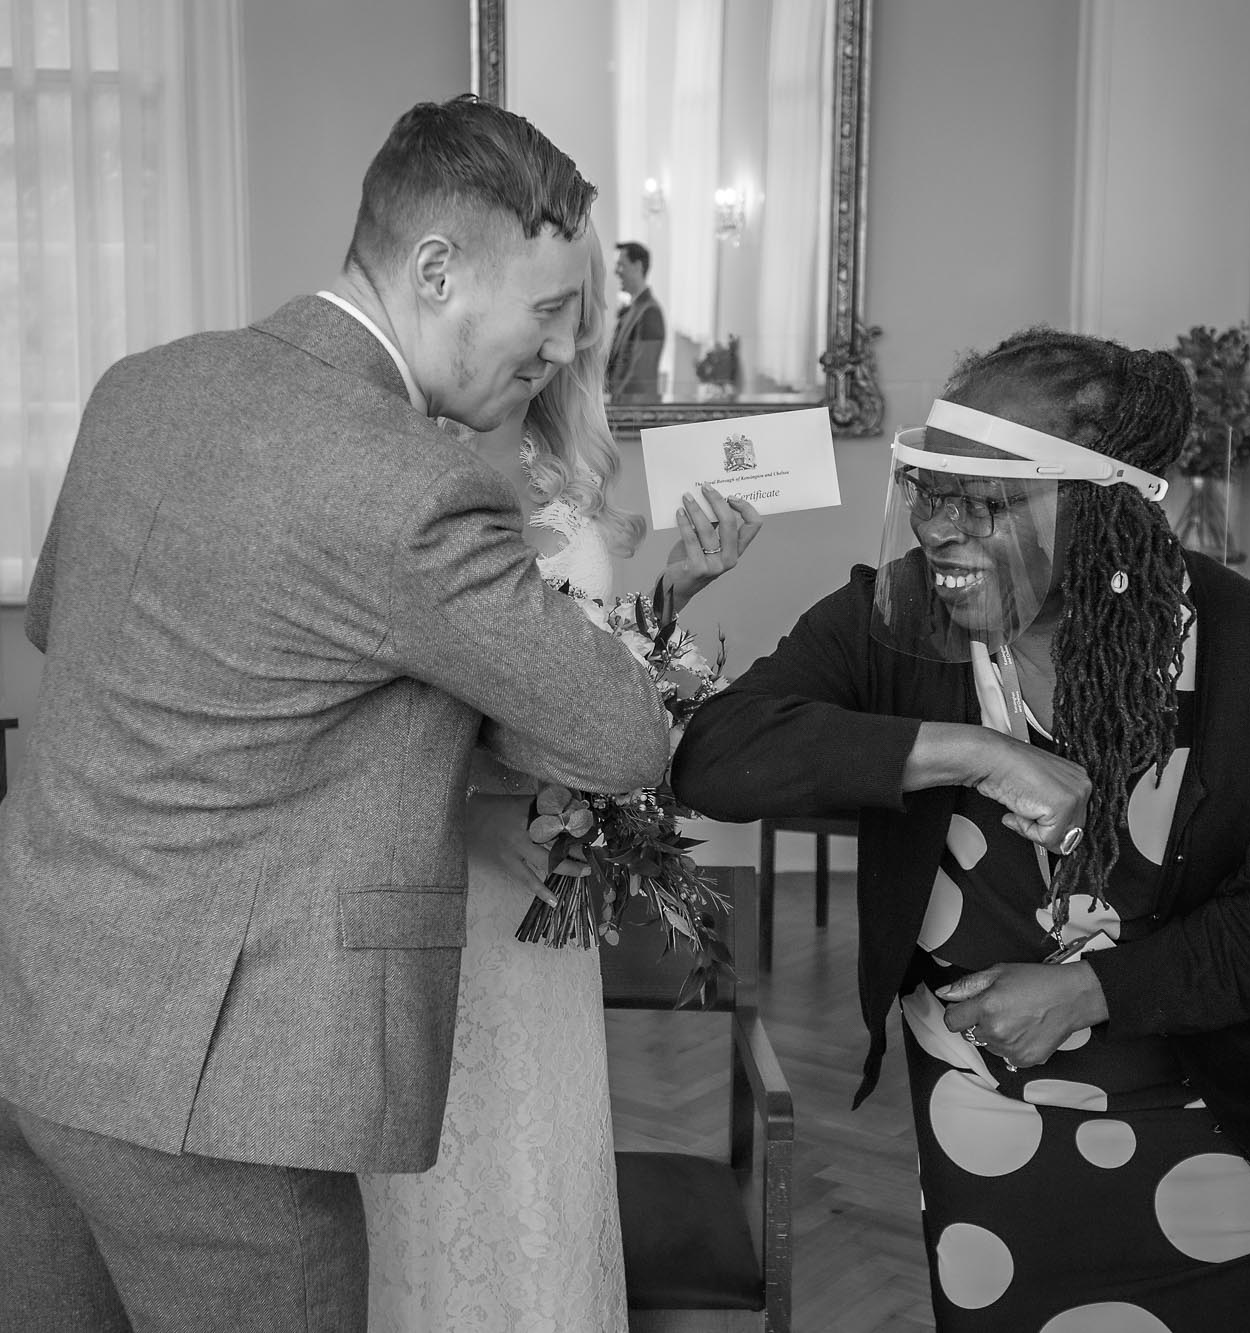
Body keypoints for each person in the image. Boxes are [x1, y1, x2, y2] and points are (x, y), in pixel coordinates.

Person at [0, 96, 674, 1332]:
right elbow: (622, 735)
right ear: (434, 269)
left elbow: (64, 617)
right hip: (195, 1094)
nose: (562, 349)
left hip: (5, 1008)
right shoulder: (409, 483)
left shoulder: (145, 386)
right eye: (546, 311)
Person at [672, 328, 1250, 1332]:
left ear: (1102, 512)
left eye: (983, 502)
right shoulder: (896, 617)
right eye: (926, 491)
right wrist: (973, 752)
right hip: (980, 1124)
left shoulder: (1247, 647)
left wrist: (1087, 989)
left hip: (1205, 1121)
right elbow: (713, 756)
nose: (938, 528)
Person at [361, 228, 761, 1333]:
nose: (560, 334)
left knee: (537, 1159)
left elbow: (585, 669)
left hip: (549, 886)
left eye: (575, 310)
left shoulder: (562, 458)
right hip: (440, 870)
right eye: (546, 307)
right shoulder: (398, 446)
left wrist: (675, 585)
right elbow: (374, 701)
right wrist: (478, 812)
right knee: (434, 1168)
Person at [605, 240, 666, 401]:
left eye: (621, 265)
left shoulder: (650, 313)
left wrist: (614, 404)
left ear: (638, 267)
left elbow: (639, 376)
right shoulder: (634, 308)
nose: (616, 271)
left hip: (634, 413)